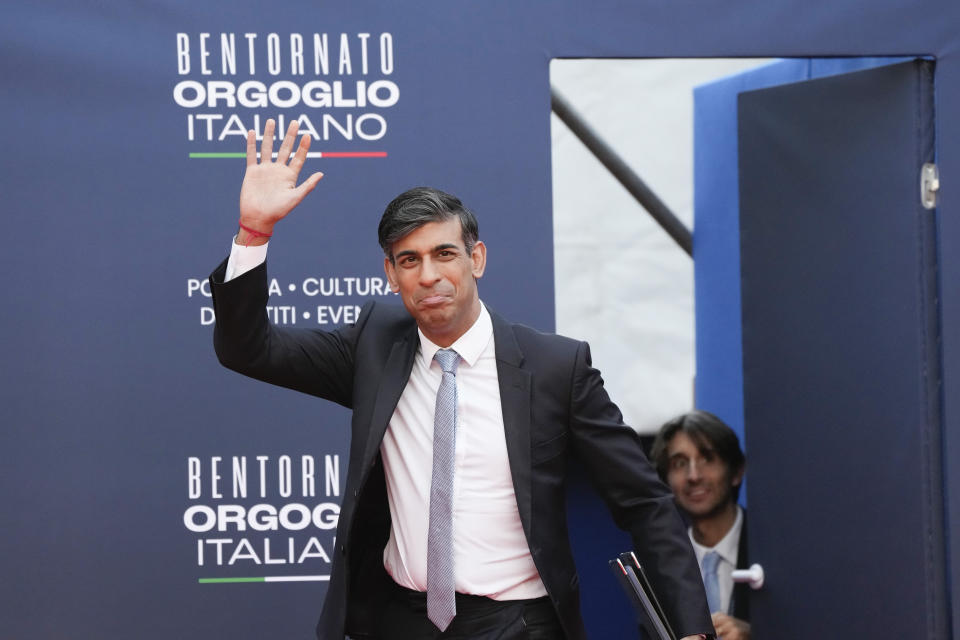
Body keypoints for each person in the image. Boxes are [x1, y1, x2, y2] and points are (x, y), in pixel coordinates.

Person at [209, 118, 713, 640]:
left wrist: (692, 627)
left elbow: (644, 503)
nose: (428, 276)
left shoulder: (556, 368)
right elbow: (250, 349)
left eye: (444, 254)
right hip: (399, 621)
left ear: (477, 258)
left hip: (518, 623)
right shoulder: (374, 345)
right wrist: (254, 233)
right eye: (410, 260)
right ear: (390, 274)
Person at [650, 411, 750, 640]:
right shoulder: (661, 566)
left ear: (736, 471)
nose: (693, 475)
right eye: (680, 463)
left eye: (707, 458)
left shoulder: (774, 550)